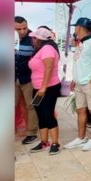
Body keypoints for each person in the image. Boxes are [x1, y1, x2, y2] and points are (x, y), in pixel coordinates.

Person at [64, 17, 91, 151]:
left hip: (89, 82)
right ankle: (81, 137)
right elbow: (79, 62)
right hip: (79, 83)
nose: (75, 30)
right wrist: (74, 80)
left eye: (76, 27)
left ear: (81, 28)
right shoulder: (81, 43)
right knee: (80, 109)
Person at [27, 27, 62, 155]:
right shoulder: (40, 49)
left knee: (48, 114)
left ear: (40, 39)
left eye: (34, 37)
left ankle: (55, 143)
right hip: (37, 87)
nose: (32, 39)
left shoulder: (47, 49)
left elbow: (49, 68)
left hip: (48, 88)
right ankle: (44, 142)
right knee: (40, 114)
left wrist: (43, 87)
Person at [15, 16, 39, 145]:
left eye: (25, 28)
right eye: (18, 29)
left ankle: (32, 133)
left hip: (29, 78)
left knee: (31, 106)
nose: (23, 31)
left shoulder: (33, 38)